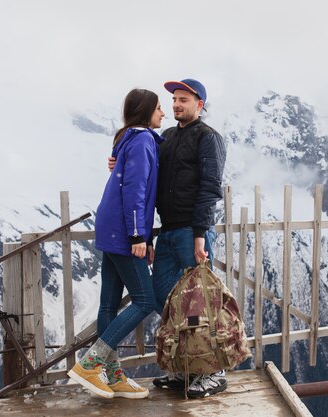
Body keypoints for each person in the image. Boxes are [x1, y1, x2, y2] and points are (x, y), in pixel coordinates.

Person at [108, 78, 227, 398]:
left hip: (192, 232)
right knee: (165, 301)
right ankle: (184, 367)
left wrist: (201, 234)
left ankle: (212, 372)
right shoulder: (167, 138)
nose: (176, 104)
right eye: (174, 99)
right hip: (169, 232)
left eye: (184, 100)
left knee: (199, 305)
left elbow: (210, 187)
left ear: (199, 105)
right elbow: (144, 169)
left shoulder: (208, 138)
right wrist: (118, 163)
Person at [68, 88, 165, 399]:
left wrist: (142, 235)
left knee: (109, 304)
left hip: (110, 228)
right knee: (145, 300)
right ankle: (91, 364)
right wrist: (138, 236)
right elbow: (135, 191)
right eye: (159, 108)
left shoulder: (128, 139)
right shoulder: (142, 141)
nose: (163, 113)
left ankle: (112, 375)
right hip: (125, 232)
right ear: (146, 112)